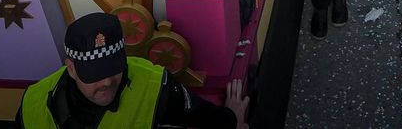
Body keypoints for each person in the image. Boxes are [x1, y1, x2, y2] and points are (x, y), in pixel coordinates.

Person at [17, 11, 240, 128]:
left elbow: (199, 114)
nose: (106, 82)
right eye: (94, 73)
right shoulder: (33, 104)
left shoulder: (154, 85)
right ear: (71, 69)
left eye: (112, 68)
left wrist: (232, 118)